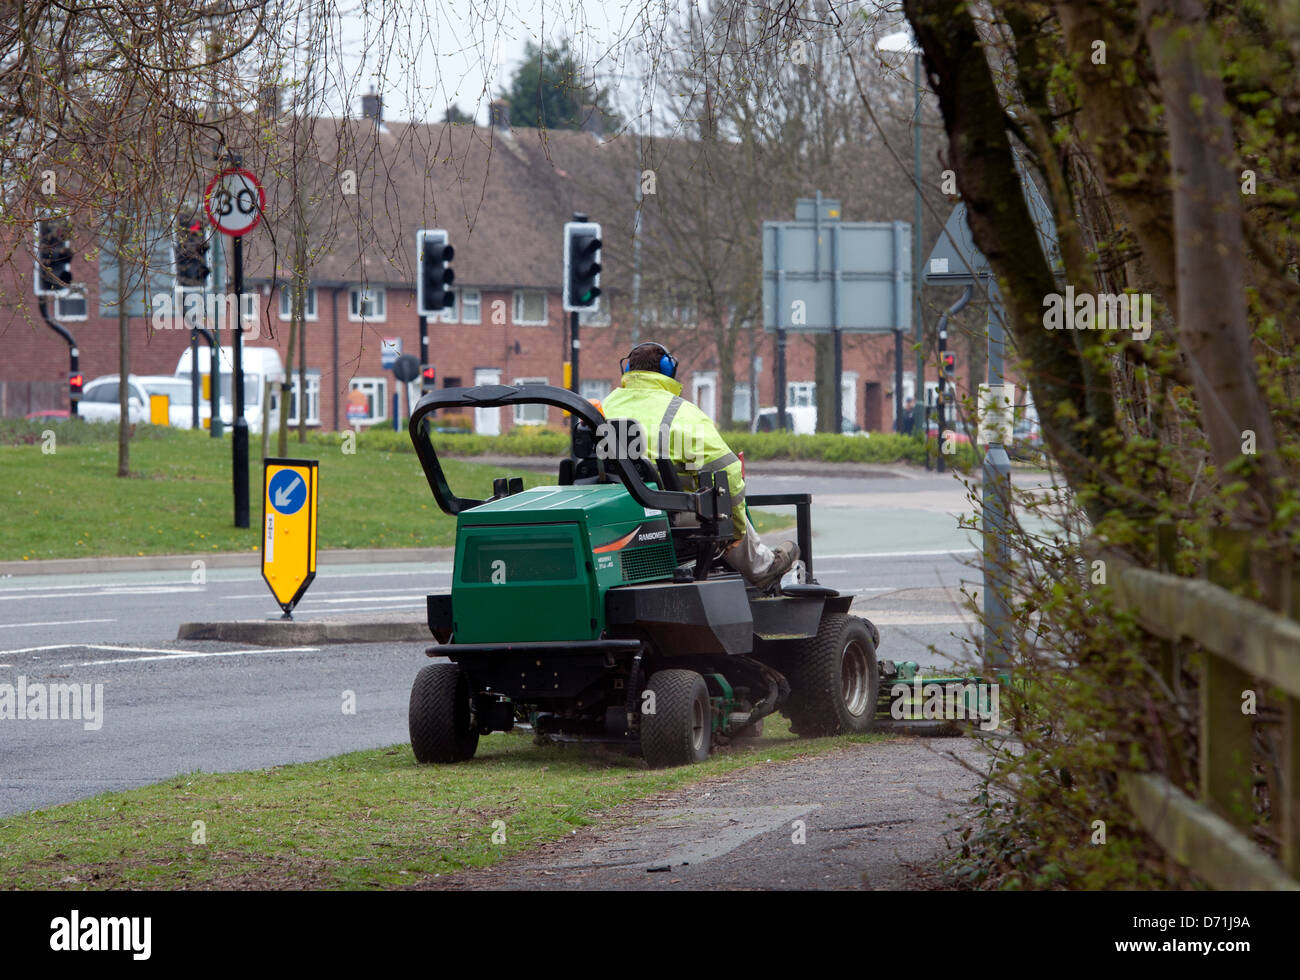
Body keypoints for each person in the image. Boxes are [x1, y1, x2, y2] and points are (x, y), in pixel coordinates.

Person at [601, 341, 799, 590]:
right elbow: (727, 470)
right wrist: (735, 528)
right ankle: (761, 568)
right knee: (721, 500)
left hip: (612, 517)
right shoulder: (681, 413)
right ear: (667, 370)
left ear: (627, 369)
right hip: (670, 518)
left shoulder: (601, 408)